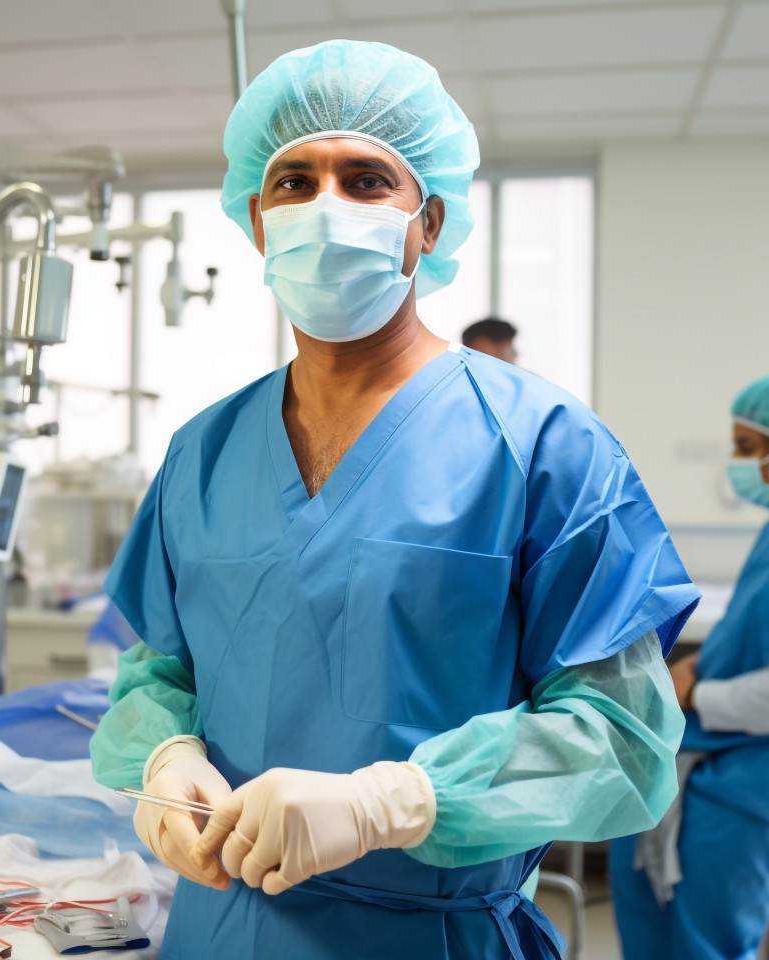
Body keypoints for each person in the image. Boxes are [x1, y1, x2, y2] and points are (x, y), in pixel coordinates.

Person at [90, 39, 700, 960]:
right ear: (257, 220)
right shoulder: (201, 454)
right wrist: (166, 761)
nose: (325, 207)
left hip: (432, 935)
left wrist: (395, 803)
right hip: (219, 926)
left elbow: (624, 740)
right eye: (294, 181)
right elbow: (160, 674)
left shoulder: (541, 445)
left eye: (367, 180)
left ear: (430, 222)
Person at [611, 374, 769, 960]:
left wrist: (696, 692)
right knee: (651, 927)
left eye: (749, 450)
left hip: (743, 779)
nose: (739, 465)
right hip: (693, 770)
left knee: (711, 940)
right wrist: (707, 663)